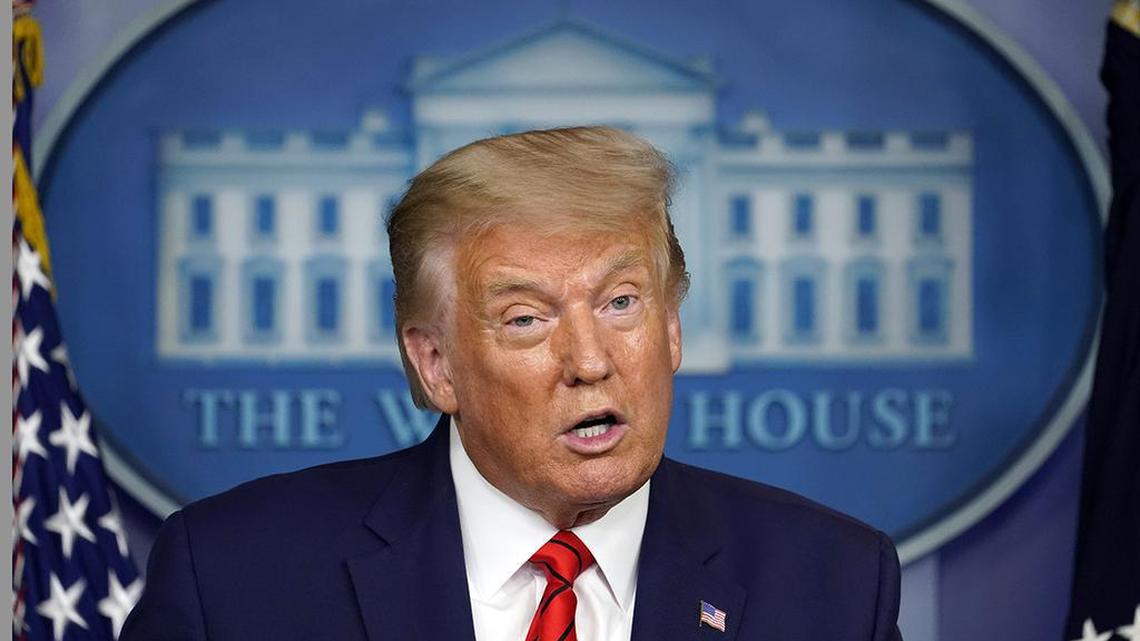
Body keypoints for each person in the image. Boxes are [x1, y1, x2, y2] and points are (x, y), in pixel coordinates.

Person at [122, 126, 902, 641]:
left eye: (621, 303)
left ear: (671, 327)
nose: (591, 360)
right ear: (436, 364)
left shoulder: (832, 584)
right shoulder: (234, 576)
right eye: (527, 318)